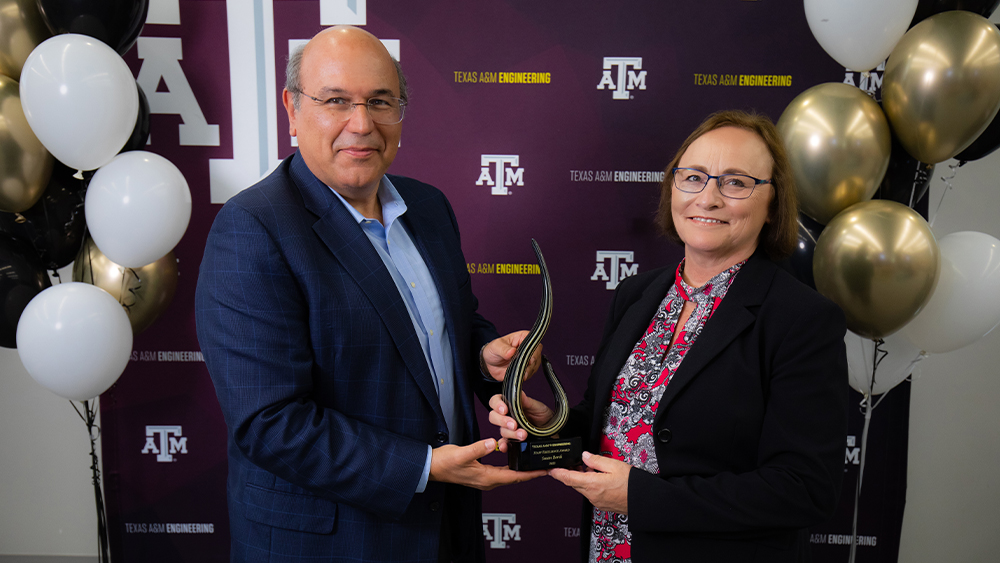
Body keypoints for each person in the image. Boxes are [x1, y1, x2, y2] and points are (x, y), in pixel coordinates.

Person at [195, 26, 544, 563]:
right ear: (292, 109)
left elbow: (450, 326)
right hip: (327, 543)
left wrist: (486, 357)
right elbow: (269, 423)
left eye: (380, 102)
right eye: (335, 101)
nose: (361, 125)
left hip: (443, 529)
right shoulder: (253, 229)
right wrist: (425, 467)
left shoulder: (429, 208)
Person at [489, 110, 849, 562]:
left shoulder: (802, 319)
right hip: (610, 550)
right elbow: (615, 430)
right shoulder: (637, 294)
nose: (709, 198)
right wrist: (548, 423)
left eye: (736, 183)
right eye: (693, 177)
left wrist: (641, 498)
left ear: (773, 204)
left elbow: (804, 489)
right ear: (673, 187)